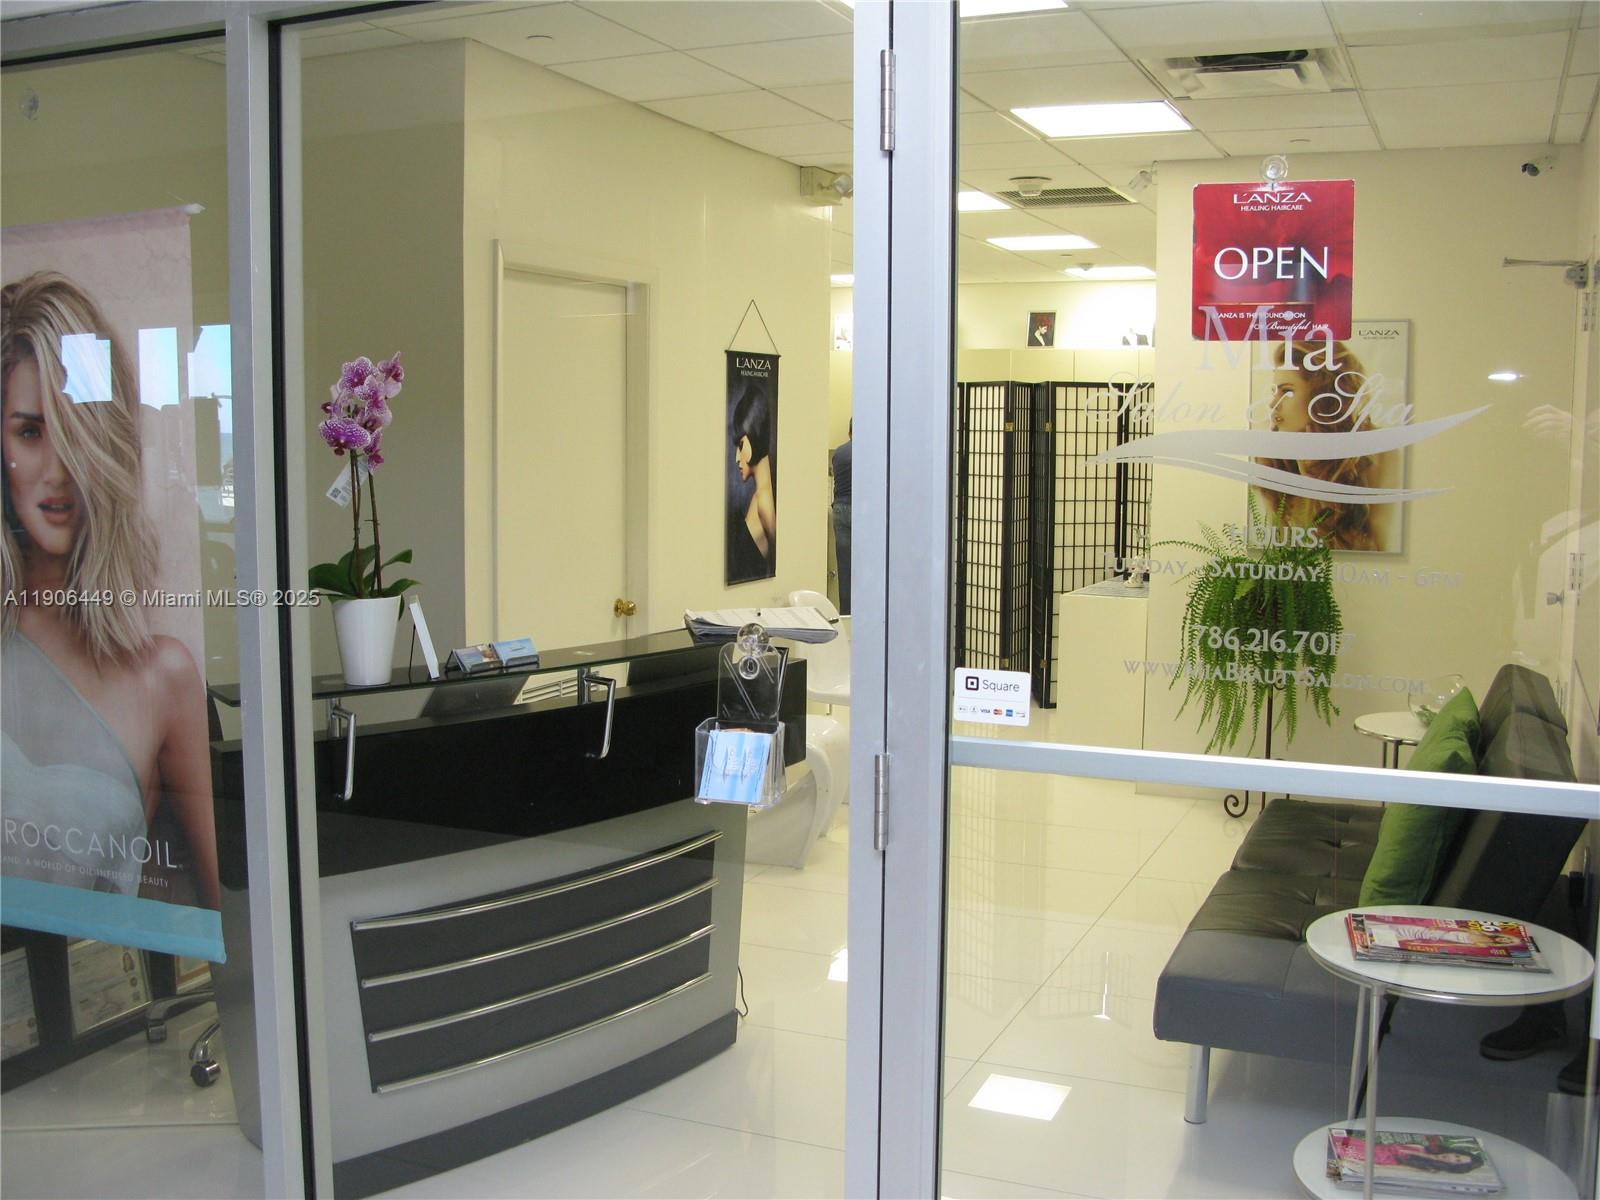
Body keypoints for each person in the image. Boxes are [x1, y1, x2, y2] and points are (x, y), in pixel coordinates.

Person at [1, 270, 220, 911]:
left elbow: (225, 917)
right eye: (31, 431)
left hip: (102, 1004)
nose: (59, 471)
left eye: (79, 430)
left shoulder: (161, 679)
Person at [1253, 338, 1394, 551]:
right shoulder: (1273, 463)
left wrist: (1316, 482)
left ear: (1322, 396)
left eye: (1287, 392)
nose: (1273, 404)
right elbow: (1281, 558)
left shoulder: (1379, 454)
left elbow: (1377, 554)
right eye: (1275, 392)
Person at [728, 383, 776, 578]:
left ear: (755, 434)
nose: (736, 458)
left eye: (741, 445)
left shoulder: (764, 501)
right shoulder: (759, 497)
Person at [832, 419, 852, 613]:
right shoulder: (868, 453)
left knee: (845, 570)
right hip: (859, 511)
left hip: (839, 510)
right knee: (866, 567)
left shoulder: (839, 453)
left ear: (849, 432)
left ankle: (847, 615)